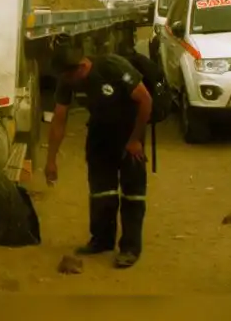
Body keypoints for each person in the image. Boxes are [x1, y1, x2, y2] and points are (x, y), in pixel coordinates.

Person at [45, 44, 153, 268]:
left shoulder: (113, 68)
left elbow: (145, 100)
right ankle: (102, 240)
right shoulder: (67, 79)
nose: (66, 81)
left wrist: (134, 140)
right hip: (99, 133)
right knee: (101, 192)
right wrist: (51, 159)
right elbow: (59, 118)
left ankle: (130, 248)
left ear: (82, 67)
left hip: (128, 132)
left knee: (133, 194)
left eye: (67, 76)